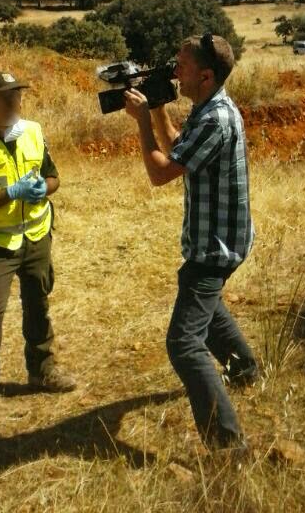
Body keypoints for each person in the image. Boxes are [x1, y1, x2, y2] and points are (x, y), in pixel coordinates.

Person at [124, 34, 257, 452]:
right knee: (206, 303)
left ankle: (228, 445)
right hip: (217, 238)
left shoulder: (216, 118)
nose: (174, 71)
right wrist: (160, 108)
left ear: (206, 74)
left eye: (181, 66)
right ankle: (247, 372)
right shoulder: (208, 109)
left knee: (183, 343)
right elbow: (177, 147)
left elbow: (161, 172)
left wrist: (143, 120)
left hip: (215, 245)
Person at [0, 71, 76, 453]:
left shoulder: (33, 132)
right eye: (5, 98)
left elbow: (53, 177)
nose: (14, 103)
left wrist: (43, 189)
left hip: (36, 235)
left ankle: (42, 370)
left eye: (18, 96)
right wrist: (9, 194)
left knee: (38, 302)